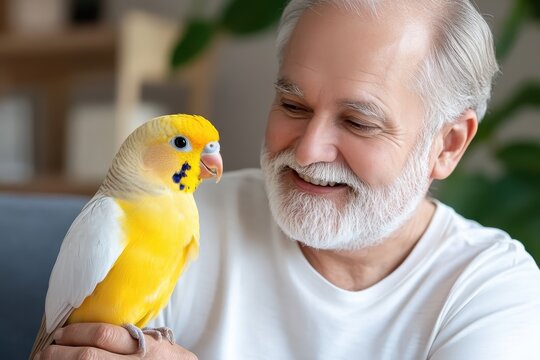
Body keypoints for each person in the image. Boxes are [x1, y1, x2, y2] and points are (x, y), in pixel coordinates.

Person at [36, 0, 540, 359]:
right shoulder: (176, 219)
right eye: (293, 105)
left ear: (448, 144)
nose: (307, 149)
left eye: (358, 122)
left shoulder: (492, 292)